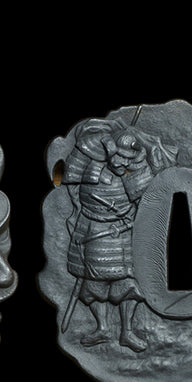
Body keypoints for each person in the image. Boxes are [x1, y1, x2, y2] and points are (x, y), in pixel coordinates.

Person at [62, 117, 177, 350]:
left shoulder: (136, 169)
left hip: (122, 229)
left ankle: (127, 331)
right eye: (118, 156)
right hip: (91, 226)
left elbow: (146, 201)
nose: (121, 162)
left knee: (128, 282)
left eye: (127, 158)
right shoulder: (90, 159)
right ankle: (102, 328)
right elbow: (72, 185)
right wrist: (77, 214)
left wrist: (132, 220)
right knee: (92, 282)